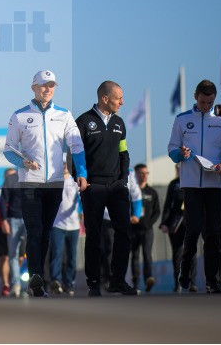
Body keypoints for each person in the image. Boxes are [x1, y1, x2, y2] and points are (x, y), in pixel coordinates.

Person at [3, 70, 88, 298]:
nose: (47, 89)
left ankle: (37, 277)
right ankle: (36, 277)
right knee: (34, 230)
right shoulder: (20, 116)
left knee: (45, 233)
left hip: (55, 183)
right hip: (29, 183)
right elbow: (8, 150)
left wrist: (81, 172)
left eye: (51, 86)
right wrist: (22, 161)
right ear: (33, 88)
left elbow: (77, 146)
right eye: (43, 85)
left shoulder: (64, 115)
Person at [168, 79, 221, 294]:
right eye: (202, 101)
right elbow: (172, 150)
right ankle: (185, 273)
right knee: (193, 230)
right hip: (190, 184)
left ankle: (212, 281)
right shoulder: (181, 120)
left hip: (215, 183)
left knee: (213, 233)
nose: (206, 106)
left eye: (210, 102)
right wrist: (181, 153)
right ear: (195, 97)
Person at [75, 80, 135, 296]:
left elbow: (123, 152)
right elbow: (74, 154)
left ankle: (117, 280)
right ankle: (93, 282)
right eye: (119, 98)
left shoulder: (119, 123)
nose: (122, 102)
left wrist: (124, 179)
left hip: (117, 186)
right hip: (93, 186)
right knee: (94, 235)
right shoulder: (83, 122)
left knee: (124, 232)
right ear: (105, 98)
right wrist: (80, 179)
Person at [160, 166, 195, 292]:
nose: (180, 171)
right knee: (177, 253)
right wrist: (164, 223)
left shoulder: (194, 181)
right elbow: (167, 204)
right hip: (175, 223)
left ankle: (193, 282)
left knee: (191, 251)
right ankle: (177, 283)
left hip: (190, 221)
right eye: (178, 169)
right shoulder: (173, 184)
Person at [48, 164, 81, 295]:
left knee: (72, 256)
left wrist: (82, 211)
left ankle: (69, 283)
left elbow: (81, 199)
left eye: (67, 164)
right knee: (56, 254)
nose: (65, 166)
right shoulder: (54, 181)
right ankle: (56, 281)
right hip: (57, 225)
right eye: (62, 164)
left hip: (74, 226)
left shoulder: (75, 181)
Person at [130, 163, 160, 293]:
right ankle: (136, 284)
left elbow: (157, 211)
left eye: (146, 173)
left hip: (147, 229)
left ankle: (149, 278)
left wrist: (149, 223)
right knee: (134, 256)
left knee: (147, 254)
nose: (144, 176)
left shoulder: (152, 192)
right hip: (133, 228)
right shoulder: (132, 192)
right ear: (136, 175)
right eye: (141, 173)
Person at [0, 167, 26, 297]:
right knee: (13, 253)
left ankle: (32, 283)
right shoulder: (10, 179)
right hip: (13, 219)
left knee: (31, 251)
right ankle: (16, 284)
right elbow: (3, 200)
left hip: (30, 219)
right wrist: (4, 220)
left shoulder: (35, 177)